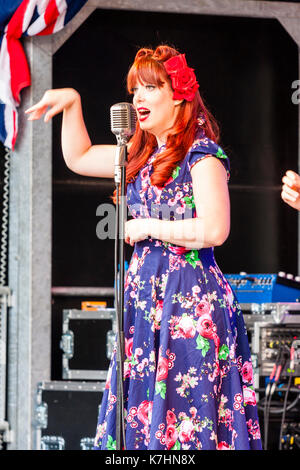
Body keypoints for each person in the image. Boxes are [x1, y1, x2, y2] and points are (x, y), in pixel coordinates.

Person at [25, 45, 262, 450]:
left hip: (189, 303)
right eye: (135, 89)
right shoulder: (137, 156)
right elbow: (79, 157)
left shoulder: (201, 156)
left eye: (151, 87)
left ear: (179, 96)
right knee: (142, 422)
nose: (138, 98)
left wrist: (151, 225)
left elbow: (216, 229)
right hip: (145, 303)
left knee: (186, 416)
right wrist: (72, 104)